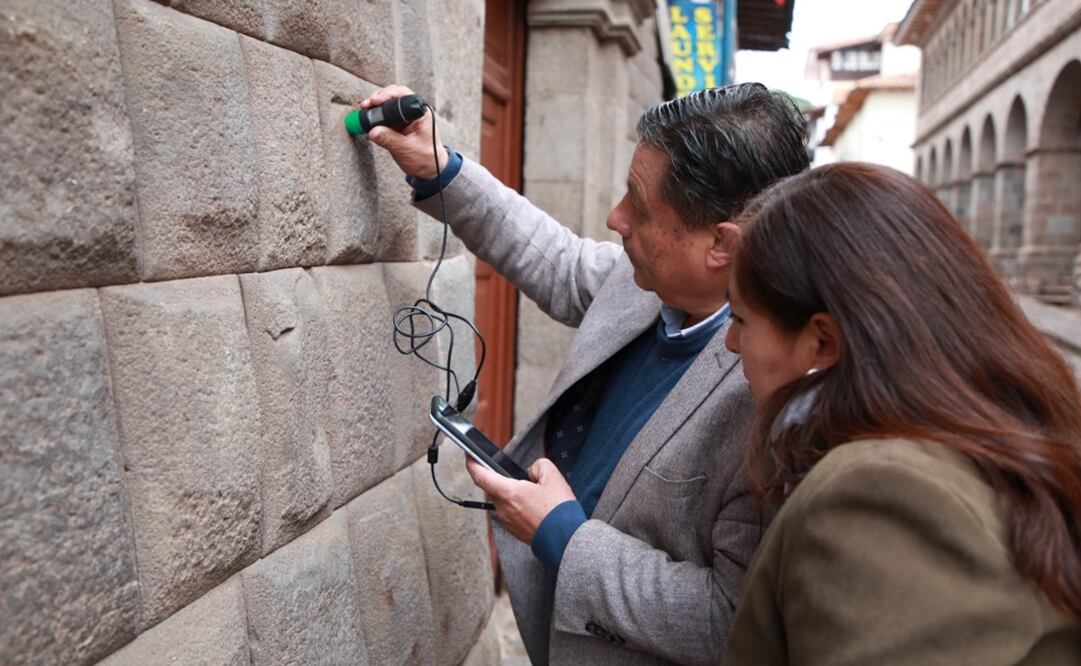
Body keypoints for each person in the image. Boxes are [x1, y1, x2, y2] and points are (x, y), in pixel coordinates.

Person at [361, 83, 809, 664]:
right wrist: (440, 166)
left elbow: (732, 619)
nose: (615, 218)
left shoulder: (778, 393)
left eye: (640, 207)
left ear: (722, 244)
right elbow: (558, 259)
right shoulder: (648, 277)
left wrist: (565, 537)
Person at [720, 162, 1081, 665]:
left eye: (740, 318)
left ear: (822, 341)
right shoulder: (983, 427)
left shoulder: (880, 491)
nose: (731, 342)